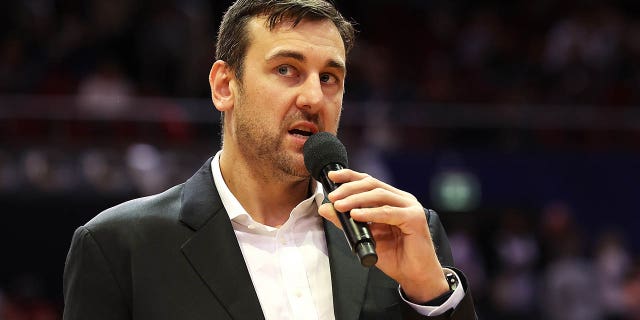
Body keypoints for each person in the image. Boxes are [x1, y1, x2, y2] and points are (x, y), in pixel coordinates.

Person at [62, 0, 477, 319]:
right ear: (225, 86)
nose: (314, 97)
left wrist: (433, 297)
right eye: (286, 69)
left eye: (329, 78)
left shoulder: (404, 232)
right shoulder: (118, 246)